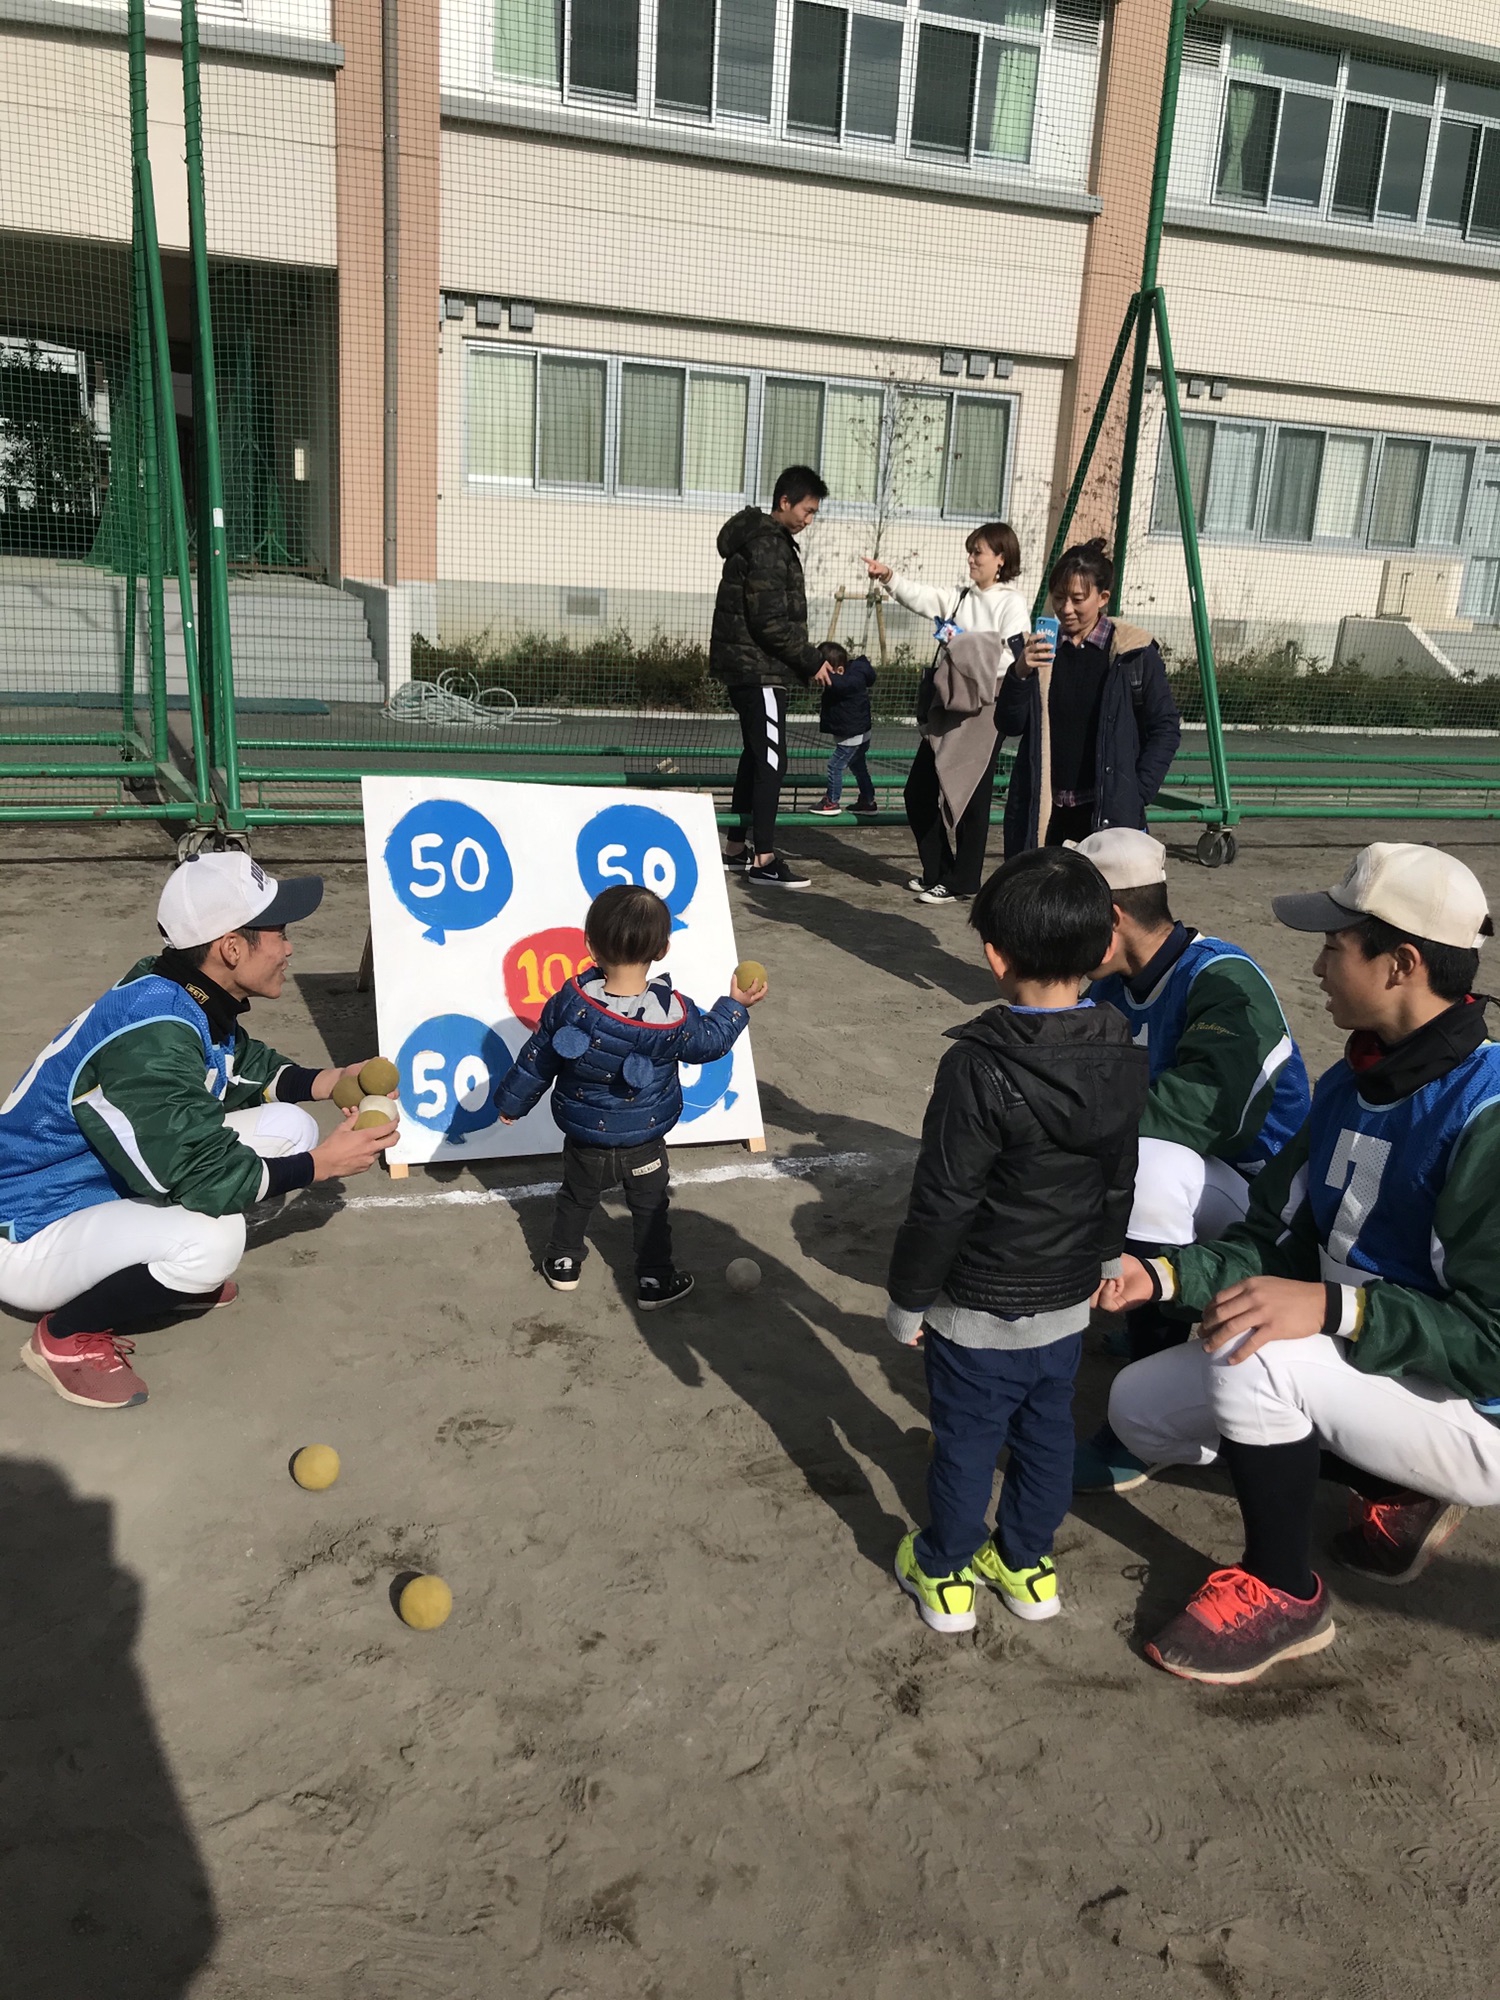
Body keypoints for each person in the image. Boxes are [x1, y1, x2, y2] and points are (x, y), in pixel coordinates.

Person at [1101, 843, 1500, 1686]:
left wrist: (1330, 1311)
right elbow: (1268, 1237)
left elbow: (1492, 1343)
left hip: (1479, 1406)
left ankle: (1285, 1590)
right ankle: (1395, 1479)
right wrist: (1164, 1279)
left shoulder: (1486, 1115)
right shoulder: (1350, 1083)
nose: (1315, 962)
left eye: (1334, 945)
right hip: (1375, 1357)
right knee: (1138, 1409)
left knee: (1263, 1351)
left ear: (1402, 965)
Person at [0, 852, 394, 1411]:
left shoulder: (179, 987)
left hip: (93, 1188)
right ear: (231, 947)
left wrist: (329, 1081)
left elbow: (234, 1065)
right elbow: (206, 1177)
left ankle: (155, 1272)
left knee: (291, 1126)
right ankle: (65, 1337)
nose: (287, 947)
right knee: (214, 1238)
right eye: (277, 933)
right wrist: (325, 1165)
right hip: (30, 1227)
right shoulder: (153, 1036)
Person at [884, 847, 1149, 1633]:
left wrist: (909, 1297)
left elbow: (944, 1198)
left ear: (995, 956)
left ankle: (945, 1569)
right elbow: (1119, 1172)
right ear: (1104, 947)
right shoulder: (1123, 1048)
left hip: (979, 1307)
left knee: (966, 1443)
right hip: (1067, 1300)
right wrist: (1106, 1256)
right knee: (1045, 1434)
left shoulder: (977, 1065)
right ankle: (1028, 1564)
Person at [1069, 829, 1310, 1472]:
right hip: (1216, 1192)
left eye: (1073, 918)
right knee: (1103, 1155)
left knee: (1146, 1160)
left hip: (1276, 1213)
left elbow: (1197, 1112)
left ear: (1113, 918)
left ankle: (1154, 1380)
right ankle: (1157, 1319)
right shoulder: (1112, 981)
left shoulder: (1221, 977)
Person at [494, 884, 766, 1309]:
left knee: (576, 1197)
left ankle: (563, 1262)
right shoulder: (675, 1014)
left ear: (589, 945)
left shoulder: (570, 1002)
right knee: (651, 1206)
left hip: (586, 1140)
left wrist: (512, 1103)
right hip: (645, 1142)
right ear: (663, 948)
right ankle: (655, 1281)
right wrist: (735, 1005)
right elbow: (710, 1042)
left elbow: (538, 1057)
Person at [866, 523, 1028, 905]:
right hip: (949, 703)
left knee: (972, 794)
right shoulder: (961, 596)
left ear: (1001, 559)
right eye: (970, 551)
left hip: (986, 707)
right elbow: (920, 597)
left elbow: (1014, 656)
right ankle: (938, 871)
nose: (971, 558)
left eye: (979, 552)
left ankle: (965, 881)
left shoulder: (1011, 603)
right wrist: (889, 577)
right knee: (919, 791)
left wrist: (963, 644)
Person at [1001, 538, 1180, 856]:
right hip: (1045, 810)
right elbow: (1009, 723)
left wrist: (1135, 792)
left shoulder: (1132, 654)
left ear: (1103, 598)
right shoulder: (1041, 649)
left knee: (1104, 900)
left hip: (1105, 811)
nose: (1066, 609)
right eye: (1058, 598)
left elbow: (1165, 728)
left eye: (1077, 599)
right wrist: (1019, 673)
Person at [710, 465, 833, 889]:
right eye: (807, 510)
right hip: (758, 669)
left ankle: (735, 848)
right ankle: (763, 859)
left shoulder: (766, 541)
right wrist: (810, 659)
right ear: (785, 502)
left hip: (752, 667)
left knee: (756, 755)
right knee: (772, 759)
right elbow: (769, 622)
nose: (809, 520)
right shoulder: (767, 545)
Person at [809, 641, 879, 818]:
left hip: (852, 736)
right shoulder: (853, 675)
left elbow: (843, 684)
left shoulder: (849, 680)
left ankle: (831, 801)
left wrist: (828, 677)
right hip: (859, 733)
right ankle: (868, 801)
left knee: (835, 765)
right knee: (858, 765)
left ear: (839, 670)